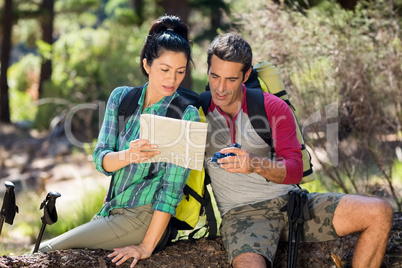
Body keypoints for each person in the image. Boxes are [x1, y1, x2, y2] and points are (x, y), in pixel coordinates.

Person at [203, 33, 393, 268]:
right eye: (214, 76)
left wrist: (255, 164)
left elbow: (294, 169)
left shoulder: (271, 106)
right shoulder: (196, 113)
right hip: (243, 217)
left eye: (231, 79)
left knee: (379, 212)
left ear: (246, 75)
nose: (220, 88)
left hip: (293, 203)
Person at [34, 15, 200, 267]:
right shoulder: (122, 98)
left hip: (144, 218)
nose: (172, 79)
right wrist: (129, 155)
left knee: (45, 249)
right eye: (164, 70)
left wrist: (146, 246)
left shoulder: (184, 114)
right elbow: (101, 160)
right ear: (147, 65)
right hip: (111, 210)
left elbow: (171, 192)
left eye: (180, 71)